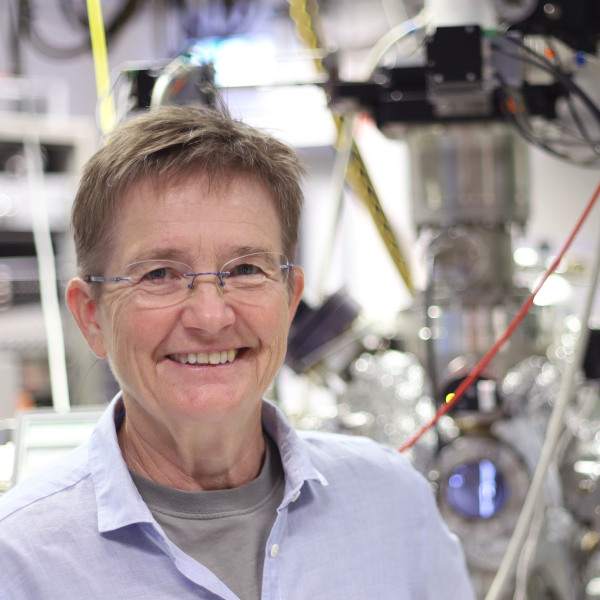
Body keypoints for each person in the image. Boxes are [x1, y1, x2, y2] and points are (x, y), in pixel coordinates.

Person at [0, 104, 474, 599]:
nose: (211, 316)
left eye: (246, 270)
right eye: (160, 274)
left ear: (290, 300)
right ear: (91, 316)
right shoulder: (20, 561)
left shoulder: (394, 507)